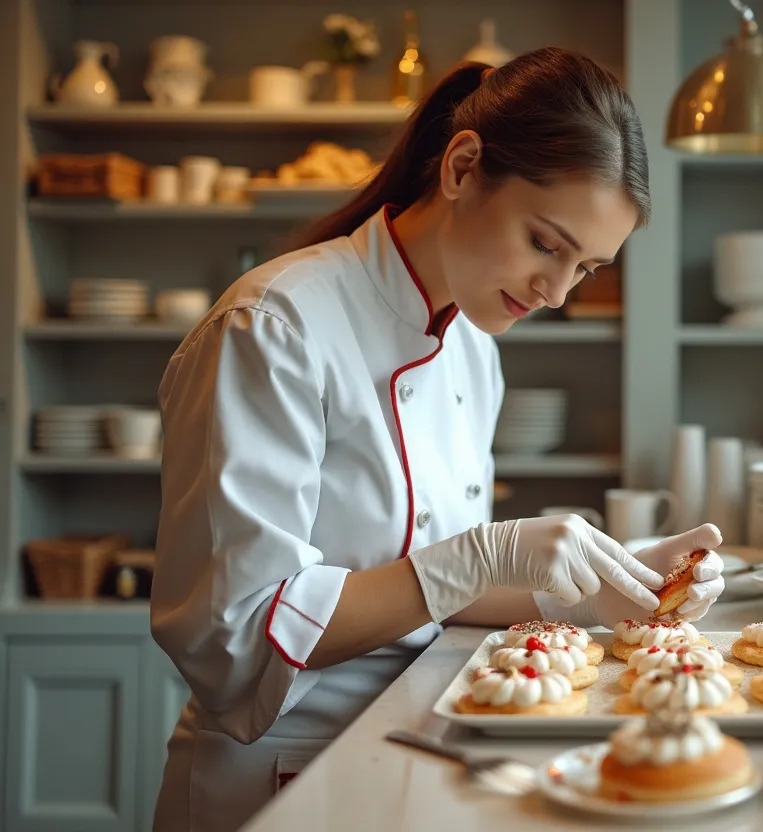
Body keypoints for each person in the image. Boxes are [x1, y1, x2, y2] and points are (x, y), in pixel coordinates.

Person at [150, 47, 726, 832]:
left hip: (420, 744)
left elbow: (437, 592)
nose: (555, 292)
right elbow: (239, 633)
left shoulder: (473, 350)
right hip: (280, 776)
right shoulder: (273, 326)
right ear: (461, 167)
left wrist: (609, 585)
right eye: (545, 244)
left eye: (585, 269)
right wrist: (479, 553)